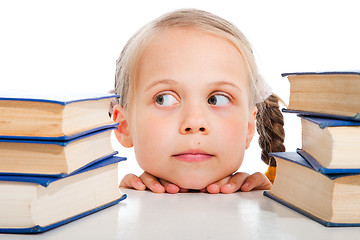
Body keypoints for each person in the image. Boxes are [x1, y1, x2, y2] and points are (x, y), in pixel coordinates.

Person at [111, 8, 285, 194]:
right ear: (124, 126)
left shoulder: (268, 199)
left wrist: (272, 196)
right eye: (164, 99)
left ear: (249, 128)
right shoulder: (116, 204)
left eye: (217, 99)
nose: (194, 123)